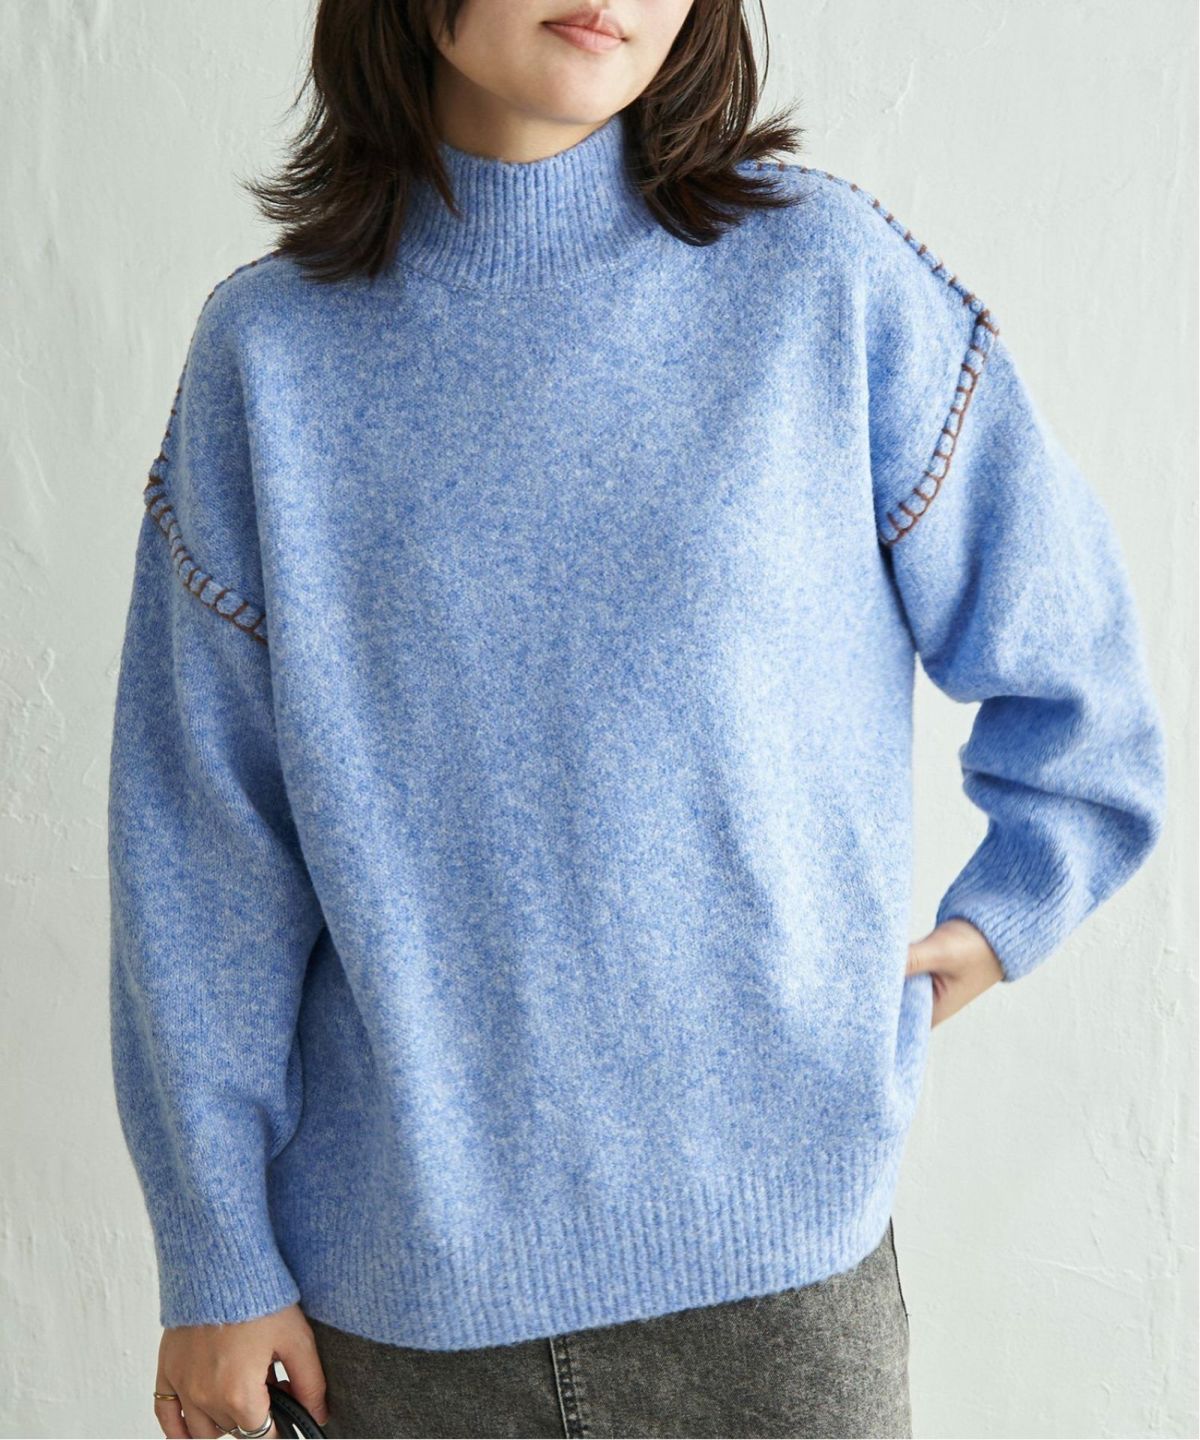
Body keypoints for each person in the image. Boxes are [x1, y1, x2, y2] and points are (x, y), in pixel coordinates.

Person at [106, 2, 1168, 1437]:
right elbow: (199, 854)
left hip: (779, 1309)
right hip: (397, 1327)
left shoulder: (827, 283)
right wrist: (215, 1254)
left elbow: (1076, 679)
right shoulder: (270, 356)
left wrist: (1003, 917)